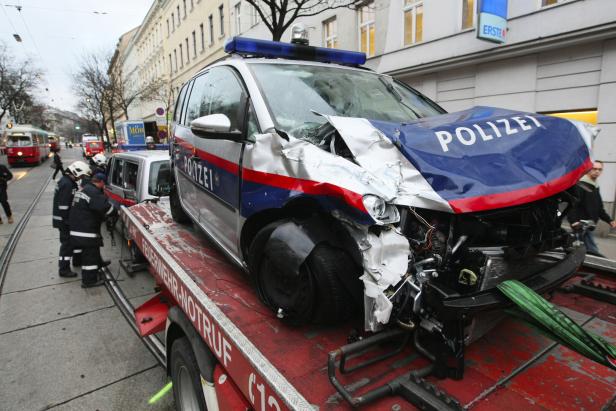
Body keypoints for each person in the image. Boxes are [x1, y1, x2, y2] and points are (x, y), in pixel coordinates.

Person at [69, 173, 118, 288]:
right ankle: (89, 281)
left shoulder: (86, 189)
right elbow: (105, 208)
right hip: (85, 230)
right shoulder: (93, 192)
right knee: (89, 255)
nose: (104, 186)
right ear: (100, 182)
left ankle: (98, 263)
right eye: (104, 184)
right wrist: (115, 211)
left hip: (78, 226)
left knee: (93, 249)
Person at [568, 160, 616, 257]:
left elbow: (599, 208)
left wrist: (610, 220)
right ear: (589, 170)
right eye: (594, 169)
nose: (597, 171)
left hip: (589, 226)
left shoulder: (595, 186)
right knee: (593, 253)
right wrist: (574, 221)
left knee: (580, 254)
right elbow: (573, 205)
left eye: (599, 169)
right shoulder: (581, 185)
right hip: (581, 225)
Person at [53, 161, 91, 277]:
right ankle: (63, 269)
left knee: (72, 242)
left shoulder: (67, 181)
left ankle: (76, 261)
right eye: (80, 175)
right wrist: (70, 221)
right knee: (67, 245)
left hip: (64, 220)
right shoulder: (67, 184)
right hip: (64, 221)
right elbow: (64, 206)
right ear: (75, 172)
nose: (80, 178)